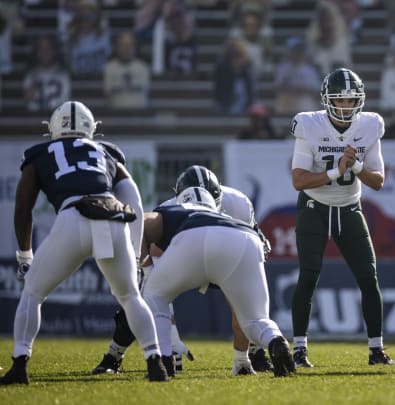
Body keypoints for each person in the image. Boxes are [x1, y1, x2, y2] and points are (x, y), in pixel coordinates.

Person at [0, 101, 168, 385]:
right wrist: (137, 252)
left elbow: (22, 208)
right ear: (91, 128)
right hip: (112, 217)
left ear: (53, 127)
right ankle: (155, 363)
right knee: (130, 297)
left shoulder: (40, 153)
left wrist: (25, 256)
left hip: (73, 218)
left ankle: (19, 364)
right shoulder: (105, 151)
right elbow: (134, 200)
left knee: (32, 293)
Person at [92, 165, 274, 376]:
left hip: (224, 255)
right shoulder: (168, 209)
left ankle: (255, 351)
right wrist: (172, 337)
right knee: (141, 294)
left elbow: (253, 250)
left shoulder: (238, 203)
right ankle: (115, 354)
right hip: (186, 256)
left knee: (247, 300)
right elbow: (152, 260)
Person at [290, 67, 395, 368]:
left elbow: (378, 181)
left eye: (352, 100)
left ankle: (376, 350)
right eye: (341, 100)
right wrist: (338, 170)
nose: (347, 106)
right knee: (309, 275)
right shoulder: (309, 124)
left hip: (350, 207)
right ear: (327, 100)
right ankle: (299, 350)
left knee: (368, 276)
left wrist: (357, 166)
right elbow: (298, 180)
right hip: (315, 207)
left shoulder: (370, 125)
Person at [137, 186, 295, 377]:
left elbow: (140, 224)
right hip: (243, 237)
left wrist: (146, 270)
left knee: (155, 295)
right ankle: (276, 341)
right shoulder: (231, 211)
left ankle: (163, 360)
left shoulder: (171, 209)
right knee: (255, 320)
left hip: (193, 235)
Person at [23, 36, 72, 112]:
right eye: (41, 49)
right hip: (34, 117)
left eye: (47, 48)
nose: (44, 52)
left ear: (54, 51)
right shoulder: (31, 74)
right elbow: (27, 99)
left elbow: (65, 101)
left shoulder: (63, 75)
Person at [104, 31, 151, 109]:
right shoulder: (109, 68)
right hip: (115, 115)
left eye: (129, 45)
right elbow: (107, 94)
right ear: (117, 47)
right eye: (123, 45)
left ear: (135, 47)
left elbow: (145, 93)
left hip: (140, 116)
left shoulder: (143, 68)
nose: (126, 49)